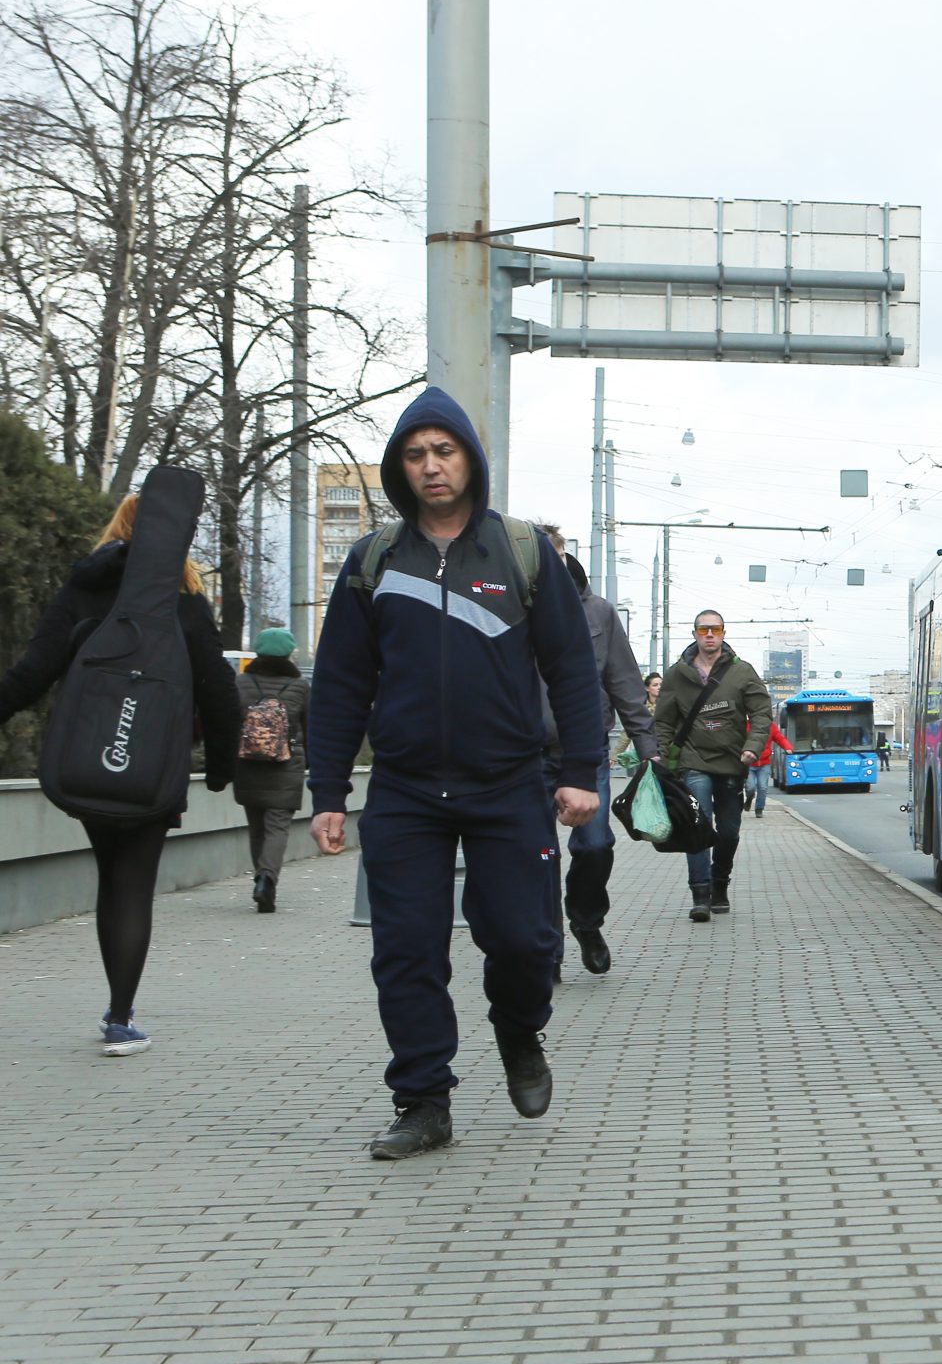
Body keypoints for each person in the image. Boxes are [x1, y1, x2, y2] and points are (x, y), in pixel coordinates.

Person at [306, 387, 604, 1161]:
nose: (431, 467)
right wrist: (330, 792)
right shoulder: (375, 559)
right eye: (415, 454)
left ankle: (518, 1031)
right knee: (405, 949)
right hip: (405, 790)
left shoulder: (521, 549)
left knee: (525, 941)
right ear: (399, 467)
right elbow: (340, 682)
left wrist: (579, 771)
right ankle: (423, 1099)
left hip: (510, 784)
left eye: (444, 451)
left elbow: (573, 669)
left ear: (469, 457)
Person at [0, 488, 242, 1054]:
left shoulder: (83, 592)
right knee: (131, 886)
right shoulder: (184, 606)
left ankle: (118, 1013)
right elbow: (220, 695)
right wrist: (220, 772)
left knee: (111, 875)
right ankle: (119, 1017)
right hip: (152, 773)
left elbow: (32, 672)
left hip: (85, 766)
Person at [535, 526, 657, 976]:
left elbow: (625, 683)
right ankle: (547, 946)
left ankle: (586, 921)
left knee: (595, 844)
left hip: (583, 753)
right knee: (537, 853)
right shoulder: (511, 605)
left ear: (566, 556)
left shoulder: (598, 613)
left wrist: (648, 749)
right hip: (523, 755)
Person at [655, 610, 770, 921]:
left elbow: (761, 714)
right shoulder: (676, 674)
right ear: (694, 634)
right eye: (703, 629)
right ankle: (701, 894)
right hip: (694, 762)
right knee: (698, 825)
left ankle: (720, 884)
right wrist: (664, 758)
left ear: (723, 633)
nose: (709, 634)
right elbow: (663, 721)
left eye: (715, 629)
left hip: (733, 761)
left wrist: (752, 748)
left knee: (729, 832)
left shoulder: (742, 672)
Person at [232, 628, 309, 913]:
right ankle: (267, 878)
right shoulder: (300, 686)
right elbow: (309, 725)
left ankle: (260, 877)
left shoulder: (242, 682)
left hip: (248, 764)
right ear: (289, 654)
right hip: (287, 764)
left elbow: (230, 722)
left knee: (256, 827)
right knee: (277, 827)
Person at [748, 715, 791, 817]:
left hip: (764, 763)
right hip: (749, 763)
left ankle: (759, 808)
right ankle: (749, 798)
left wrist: (787, 747)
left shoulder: (770, 727)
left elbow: (779, 738)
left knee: (762, 787)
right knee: (750, 787)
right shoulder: (746, 725)